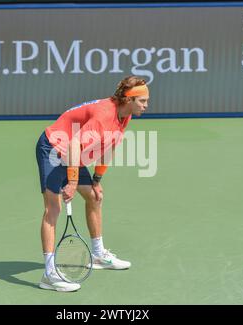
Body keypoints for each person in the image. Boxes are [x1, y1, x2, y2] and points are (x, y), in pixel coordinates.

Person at [36, 76, 149, 292]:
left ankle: (97, 255)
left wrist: (97, 179)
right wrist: (72, 181)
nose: (146, 105)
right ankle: (48, 275)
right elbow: (74, 145)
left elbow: (110, 146)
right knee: (53, 208)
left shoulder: (123, 115)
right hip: (52, 148)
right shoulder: (104, 115)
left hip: (71, 152)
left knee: (94, 197)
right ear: (129, 99)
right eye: (142, 101)